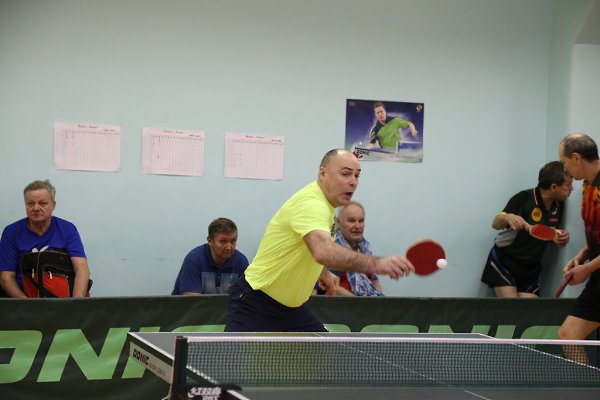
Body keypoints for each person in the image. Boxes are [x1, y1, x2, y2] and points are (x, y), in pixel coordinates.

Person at [225, 149, 414, 332]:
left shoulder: (327, 206)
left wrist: (322, 272)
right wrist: (377, 264)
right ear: (323, 173)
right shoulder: (311, 204)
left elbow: (308, 245)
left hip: (292, 309)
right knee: (230, 355)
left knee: (325, 351)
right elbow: (323, 250)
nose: (353, 182)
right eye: (345, 174)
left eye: (357, 175)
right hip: (255, 303)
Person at [481, 161, 573, 298]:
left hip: (531, 267)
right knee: (512, 309)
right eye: (568, 184)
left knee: (528, 311)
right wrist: (508, 217)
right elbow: (495, 223)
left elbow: (547, 230)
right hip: (505, 261)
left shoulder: (559, 204)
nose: (571, 189)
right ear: (554, 187)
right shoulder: (524, 198)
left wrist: (556, 237)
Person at [0, 180, 90, 298]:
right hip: (24, 298)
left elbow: (82, 269)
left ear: (53, 205)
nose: (36, 208)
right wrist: (26, 305)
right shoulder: (11, 232)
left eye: (42, 203)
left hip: (64, 298)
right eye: (30, 203)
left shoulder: (67, 229)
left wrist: (75, 303)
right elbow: (6, 278)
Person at [557, 133, 600, 344]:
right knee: (569, 335)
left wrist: (586, 269)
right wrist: (581, 256)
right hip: (597, 274)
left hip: (595, 269)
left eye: (564, 162)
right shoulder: (588, 187)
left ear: (576, 158)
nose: (565, 169)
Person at [172, 218, 249, 295]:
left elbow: (244, 297)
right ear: (210, 240)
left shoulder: (241, 261)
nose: (229, 247)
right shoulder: (194, 260)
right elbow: (192, 299)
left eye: (233, 241)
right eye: (223, 241)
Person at [326, 201, 384, 297]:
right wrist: (360, 303)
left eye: (361, 221)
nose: (357, 226)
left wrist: (379, 300)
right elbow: (334, 287)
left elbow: (375, 282)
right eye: (351, 221)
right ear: (338, 222)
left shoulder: (366, 248)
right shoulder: (333, 248)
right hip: (343, 304)